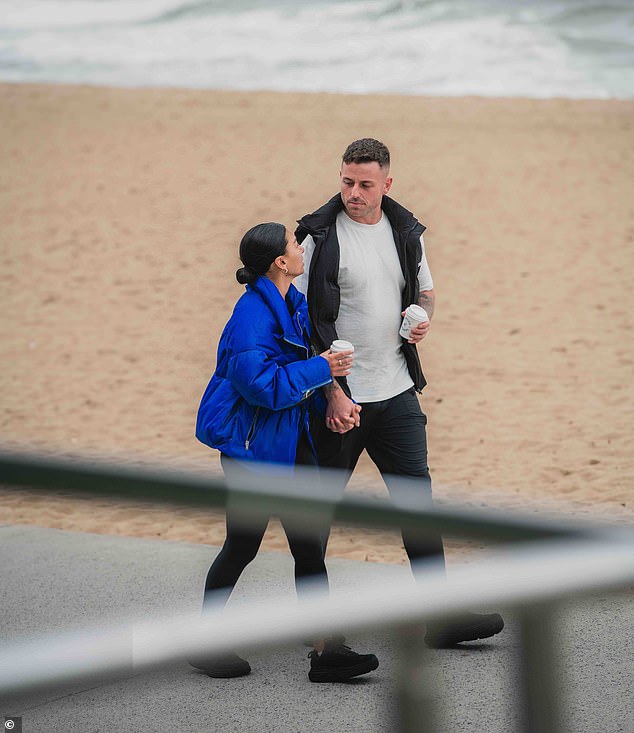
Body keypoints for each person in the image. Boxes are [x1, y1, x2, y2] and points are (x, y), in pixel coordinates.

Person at [294, 138, 504, 648]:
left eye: (366, 184)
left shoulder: (406, 231)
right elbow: (297, 321)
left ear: (388, 184)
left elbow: (427, 290)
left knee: (417, 505)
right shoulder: (318, 237)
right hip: (338, 400)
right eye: (347, 182)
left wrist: (422, 316)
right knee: (313, 517)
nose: (354, 193)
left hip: (397, 391)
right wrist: (329, 392)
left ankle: (441, 617)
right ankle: (322, 636)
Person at [193, 222, 379, 681]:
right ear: (280, 261)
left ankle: (326, 650)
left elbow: (294, 370)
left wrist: (334, 397)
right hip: (254, 454)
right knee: (242, 546)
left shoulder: (289, 303)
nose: (300, 252)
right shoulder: (251, 318)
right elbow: (263, 388)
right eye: (294, 247)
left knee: (308, 546)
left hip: (286, 447)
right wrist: (321, 368)